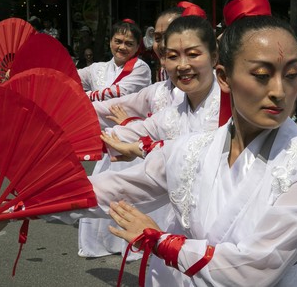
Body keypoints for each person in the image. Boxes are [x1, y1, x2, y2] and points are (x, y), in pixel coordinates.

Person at [0, 0, 297, 286]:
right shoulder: (189, 149)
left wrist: (158, 240)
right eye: (262, 75)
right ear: (225, 76)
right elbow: (112, 190)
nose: (279, 91)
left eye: (291, 75)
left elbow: (256, 268)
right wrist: (23, 206)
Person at [79, 13, 219, 260]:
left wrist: (141, 147)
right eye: (161, 40)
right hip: (175, 215)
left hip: (215, 236)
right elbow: (110, 118)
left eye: (193, 53)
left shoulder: (231, 106)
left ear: (214, 55)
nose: (181, 61)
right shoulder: (164, 99)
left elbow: (197, 152)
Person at [78, 19, 152, 101]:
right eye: (118, 42)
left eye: (129, 44)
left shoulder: (141, 68)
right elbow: (71, 77)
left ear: (137, 47)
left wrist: (85, 96)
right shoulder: (96, 68)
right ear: (110, 42)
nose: (122, 47)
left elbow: (119, 93)